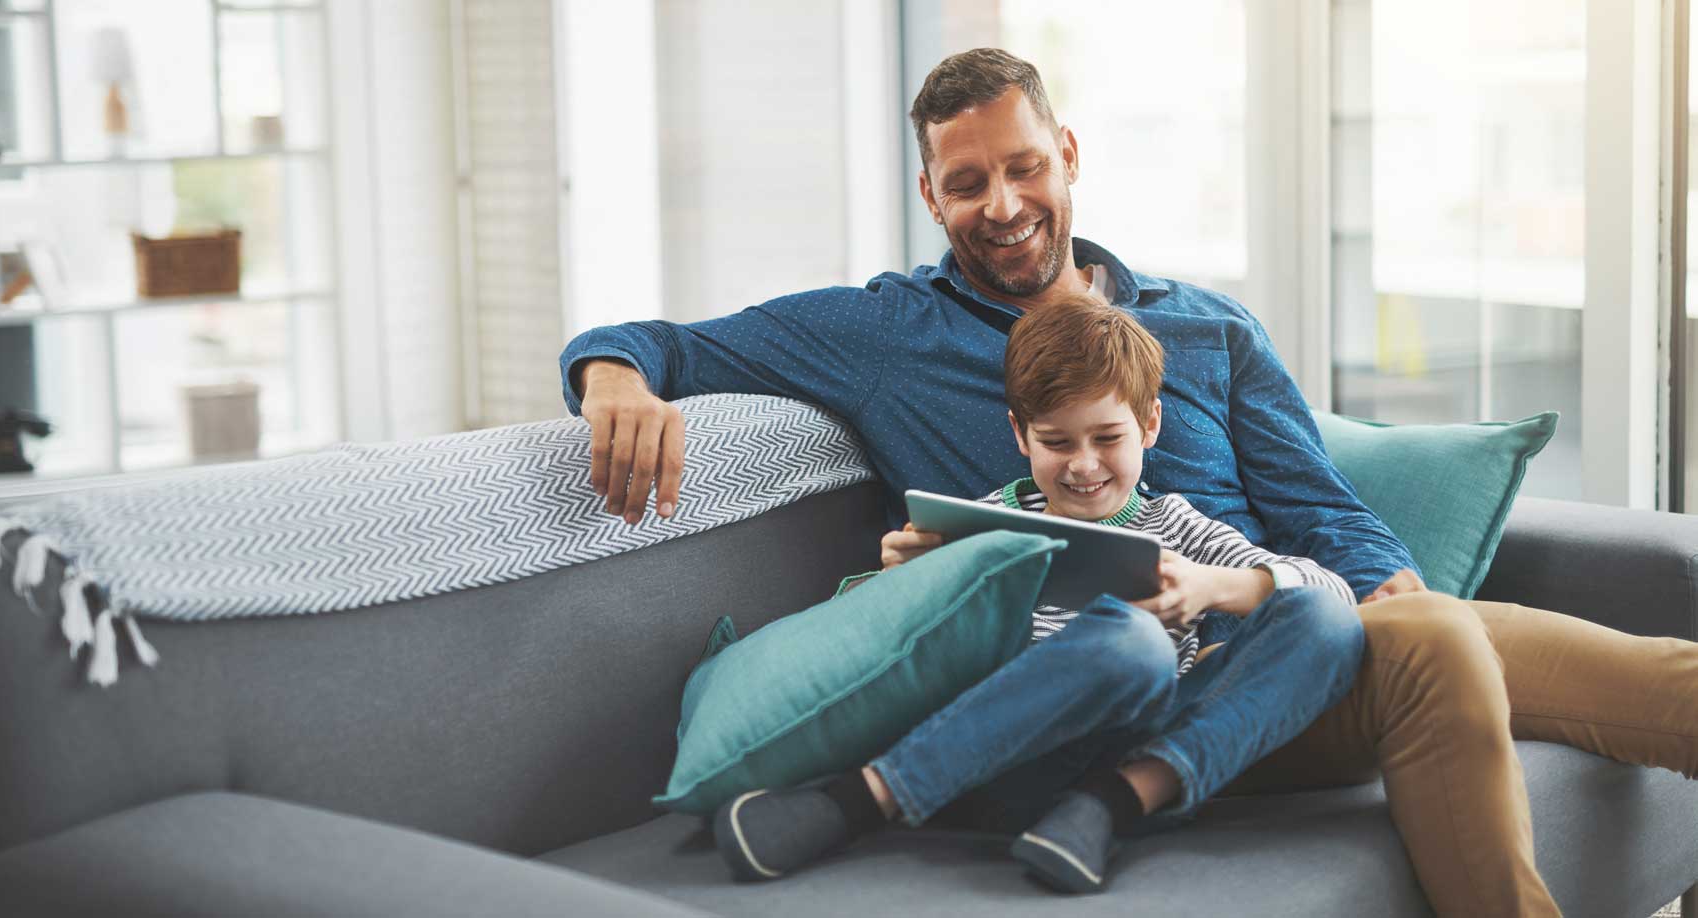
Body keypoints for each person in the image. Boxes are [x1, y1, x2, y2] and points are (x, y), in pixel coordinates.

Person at [560, 47, 1698, 918]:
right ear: (928, 194)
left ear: (1066, 153)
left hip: (1281, 624)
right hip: (1126, 678)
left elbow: (1313, 504)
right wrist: (614, 385)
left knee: (1626, 670)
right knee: (1433, 647)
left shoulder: (1202, 327)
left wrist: (1383, 582)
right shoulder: (881, 335)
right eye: (965, 184)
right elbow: (652, 338)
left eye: (1020, 167)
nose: (999, 206)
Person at [712, 299, 1365, 894]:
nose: (1083, 466)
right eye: (1056, 442)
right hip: (1004, 755)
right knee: (1132, 643)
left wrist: (1208, 586)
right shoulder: (980, 523)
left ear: (1148, 425)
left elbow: (1329, 589)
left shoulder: (1176, 528)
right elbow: (867, 641)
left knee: (1325, 619)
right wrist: (898, 577)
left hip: (1136, 759)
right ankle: (860, 799)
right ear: (1021, 436)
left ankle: (1112, 804)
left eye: (1106, 438)